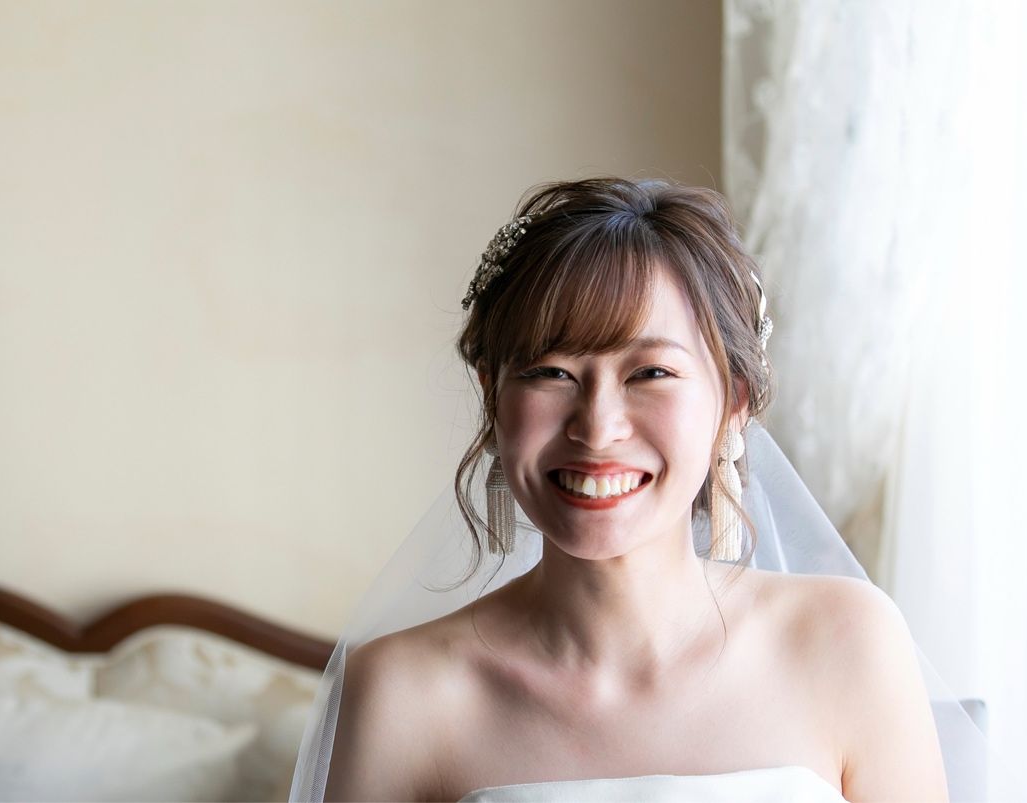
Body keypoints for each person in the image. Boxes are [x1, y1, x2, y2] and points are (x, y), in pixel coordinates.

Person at [290, 177, 988, 802]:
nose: (597, 429)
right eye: (551, 372)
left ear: (734, 402)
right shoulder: (401, 691)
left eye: (650, 372)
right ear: (492, 397)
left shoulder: (848, 641)